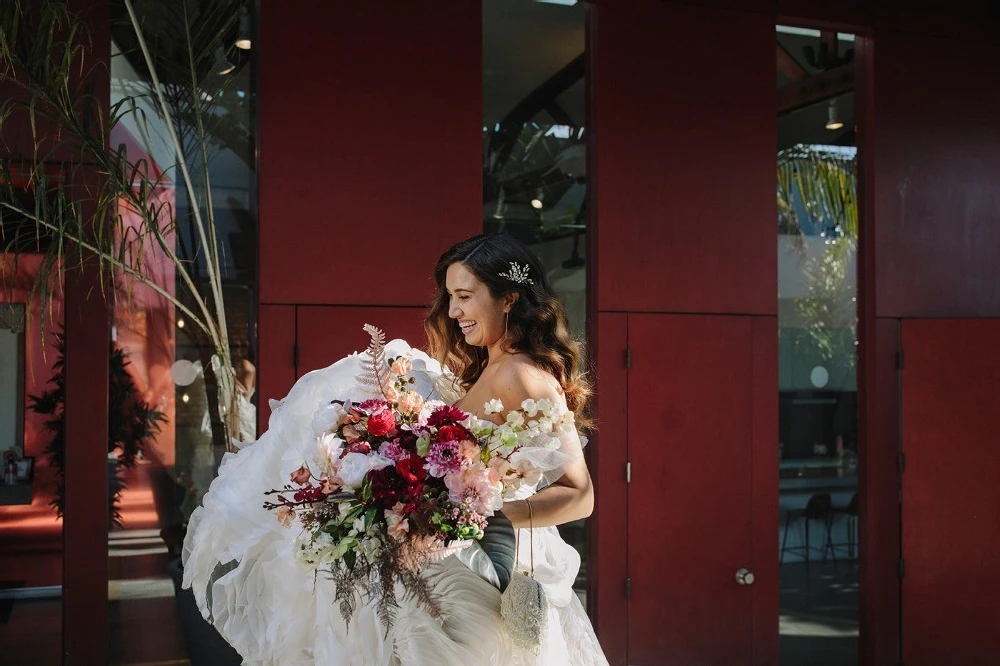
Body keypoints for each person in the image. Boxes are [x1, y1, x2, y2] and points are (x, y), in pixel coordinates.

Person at [182, 234, 609, 665]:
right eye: (450, 297)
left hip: (476, 574)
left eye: (464, 296)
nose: (454, 311)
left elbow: (580, 495)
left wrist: (464, 516)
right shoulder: (491, 366)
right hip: (441, 571)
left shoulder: (524, 374)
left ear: (508, 299)